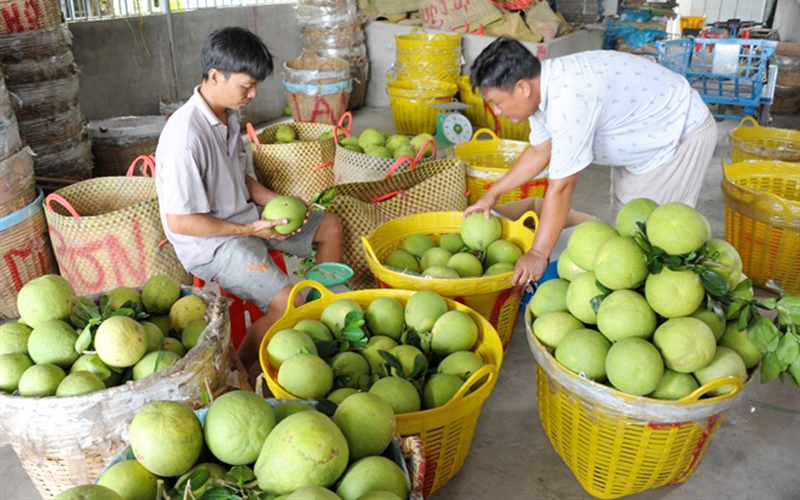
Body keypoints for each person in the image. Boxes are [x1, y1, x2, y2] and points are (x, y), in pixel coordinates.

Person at [154, 27, 343, 374]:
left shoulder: (228, 114)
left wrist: (279, 201)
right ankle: (237, 374)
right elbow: (181, 221)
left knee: (329, 225)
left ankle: (318, 318)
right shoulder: (185, 137)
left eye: (256, 85)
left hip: (245, 219)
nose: (253, 94)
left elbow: (239, 177)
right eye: (246, 85)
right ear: (214, 76)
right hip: (211, 245)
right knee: (288, 302)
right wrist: (250, 228)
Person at [464, 37, 715, 287]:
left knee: (656, 242)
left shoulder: (569, 98)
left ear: (522, 88)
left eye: (497, 103)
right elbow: (540, 152)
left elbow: (562, 187)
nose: (496, 111)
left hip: (678, 132)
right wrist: (494, 192)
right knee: (628, 236)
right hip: (642, 143)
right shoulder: (544, 91)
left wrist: (538, 253)